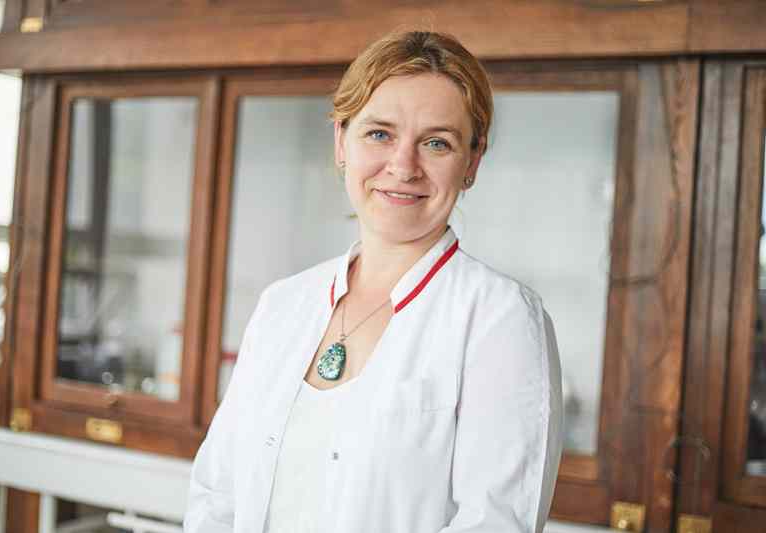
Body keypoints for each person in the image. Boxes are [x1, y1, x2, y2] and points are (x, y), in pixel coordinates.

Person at [184, 30, 563, 533]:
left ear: (472, 161)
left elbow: (494, 523)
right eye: (379, 134)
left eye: (437, 143)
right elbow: (217, 494)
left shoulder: (501, 318)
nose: (403, 167)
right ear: (341, 141)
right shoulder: (282, 305)